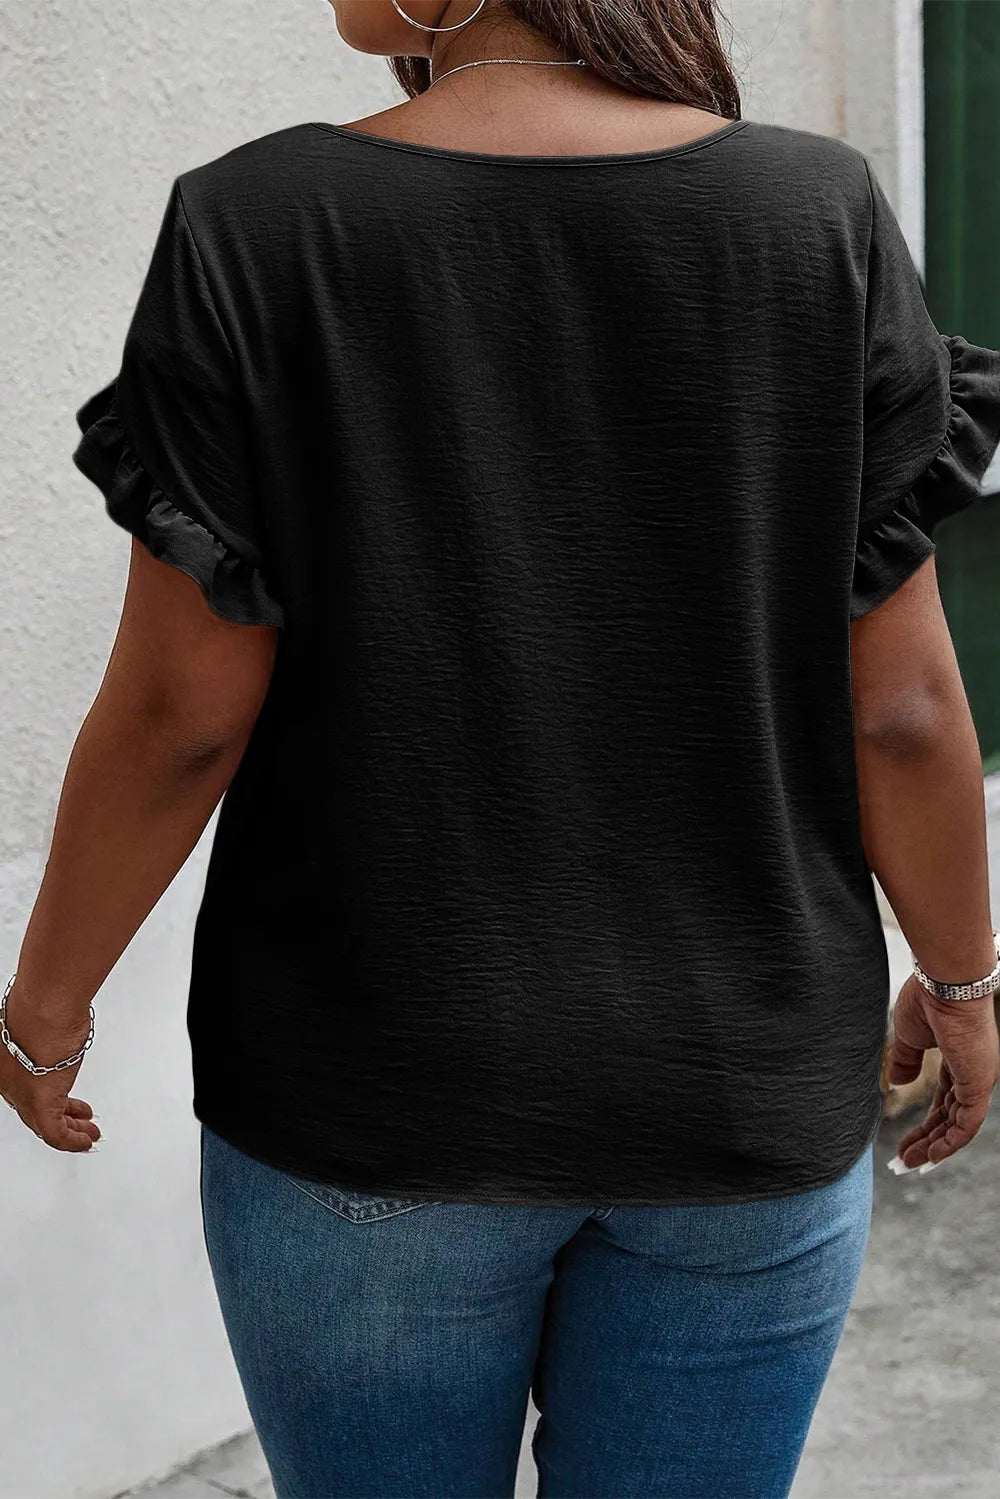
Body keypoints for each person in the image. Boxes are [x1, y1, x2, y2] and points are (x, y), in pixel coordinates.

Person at [3, 1, 1000, 1495]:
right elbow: (902, 708)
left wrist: (46, 1001)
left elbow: (180, 713)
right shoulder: (818, 213)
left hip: (371, 1093)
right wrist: (966, 980)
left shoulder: (257, 225)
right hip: (740, 1095)